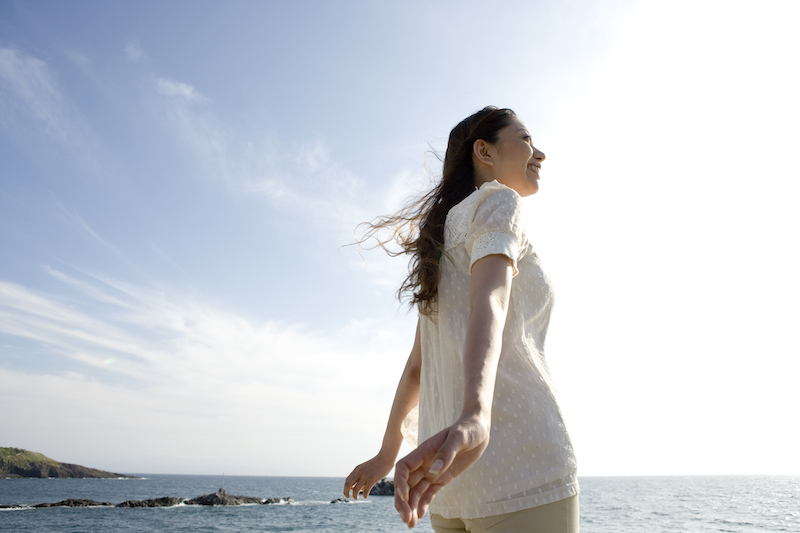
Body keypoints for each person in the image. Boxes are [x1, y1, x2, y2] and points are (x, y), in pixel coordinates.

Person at [344, 106, 579, 532]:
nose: (539, 153)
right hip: (520, 463)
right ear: (484, 151)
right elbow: (490, 301)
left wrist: (387, 451)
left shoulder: (440, 237)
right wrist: (475, 415)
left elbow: (418, 365)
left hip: (449, 484)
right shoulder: (498, 201)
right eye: (526, 139)